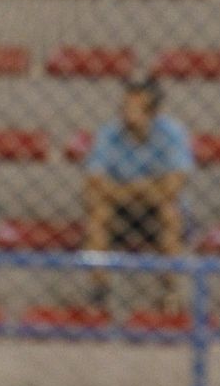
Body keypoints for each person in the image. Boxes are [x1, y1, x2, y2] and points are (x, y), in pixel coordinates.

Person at [82, 77, 193, 310]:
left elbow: (174, 186)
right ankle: (99, 291)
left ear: (152, 111)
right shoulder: (108, 134)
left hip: (155, 210)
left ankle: (170, 291)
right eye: (125, 106)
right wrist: (142, 188)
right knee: (97, 212)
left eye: (135, 107)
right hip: (121, 210)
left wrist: (122, 189)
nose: (126, 112)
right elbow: (94, 184)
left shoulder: (172, 133)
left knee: (170, 212)